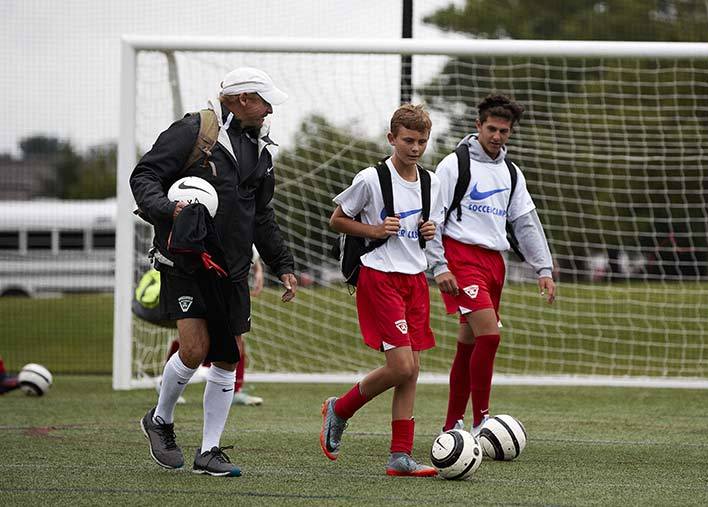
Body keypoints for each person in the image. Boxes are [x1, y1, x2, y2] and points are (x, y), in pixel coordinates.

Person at [130, 67, 298, 477]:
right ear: (242, 100)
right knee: (193, 349)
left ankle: (209, 450)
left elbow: (261, 214)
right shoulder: (193, 131)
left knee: (228, 356)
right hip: (185, 262)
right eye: (264, 101)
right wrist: (171, 209)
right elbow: (144, 176)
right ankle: (160, 419)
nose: (270, 109)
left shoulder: (261, 148)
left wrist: (282, 264)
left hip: (233, 269)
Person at [320, 104, 441, 477]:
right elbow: (337, 219)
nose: (415, 147)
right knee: (401, 365)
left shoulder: (430, 181)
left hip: (415, 279)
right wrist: (374, 230)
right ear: (392, 139)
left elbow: (424, 228)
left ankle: (400, 456)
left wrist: (428, 232)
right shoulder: (371, 179)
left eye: (422, 141)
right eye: (408, 140)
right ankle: (340, 409)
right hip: (380, 276)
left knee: (412, 370)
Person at [426, 94, 556, 435]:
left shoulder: (512, 173)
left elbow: (526, 222)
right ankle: (482, 420)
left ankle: (452, 424)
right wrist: (439, 266)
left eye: (504, 131)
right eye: (492, 129)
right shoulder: (455, 164)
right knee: (490, 336)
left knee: (469, 344)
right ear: (478, 126)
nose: (497, 136)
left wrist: (543, 268)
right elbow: (434, 218)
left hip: (494, 264)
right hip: (461, 257)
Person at [158, 246, 265, 406]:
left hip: (225, 277)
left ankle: (235, 389)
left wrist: (257, 266)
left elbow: (240, 231)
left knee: (233, 337)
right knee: (194, 343)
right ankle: (165, 390)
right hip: (192, 275)